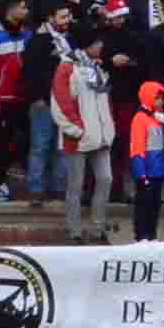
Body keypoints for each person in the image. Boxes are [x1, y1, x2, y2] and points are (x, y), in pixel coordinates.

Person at [57, 37, 119, 241]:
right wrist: (77, 129)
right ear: (87, 45)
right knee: (75, 185)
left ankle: (97, 228)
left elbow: (105, 101)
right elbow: (60, 102)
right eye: (97, 44)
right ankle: (73, 230)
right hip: (78, 138)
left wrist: (108, 128)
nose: (101, 47)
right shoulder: (66, 67)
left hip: (100, 137)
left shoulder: (98, 69)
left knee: (105, 179)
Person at [125, 80, 164, 241]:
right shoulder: (140, 119)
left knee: (154, 205)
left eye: (162, 98)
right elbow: (137, 148)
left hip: (158, 170)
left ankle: (152, 234)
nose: (160, 102)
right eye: (157, 98)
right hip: (147, 170)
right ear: (148, 98)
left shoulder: (162, 119)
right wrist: (140, 172)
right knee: (143, 205)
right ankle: (141, 235)